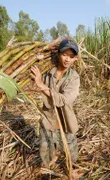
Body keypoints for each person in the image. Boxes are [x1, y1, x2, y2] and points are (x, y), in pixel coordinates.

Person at [30, 39, 80, 167]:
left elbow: (64, 100)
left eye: (71, 56)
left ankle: (69, 165)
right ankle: (48, 163)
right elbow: (32, 70)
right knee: (45, 150)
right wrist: (37, 58)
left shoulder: (74, 77)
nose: (67, 59)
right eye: (64, 55)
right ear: (58, 54)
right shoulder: (48, 71)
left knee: (71, 154)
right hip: (48, 119)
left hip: (66, 121)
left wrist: (42, 86)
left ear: (75, 59)